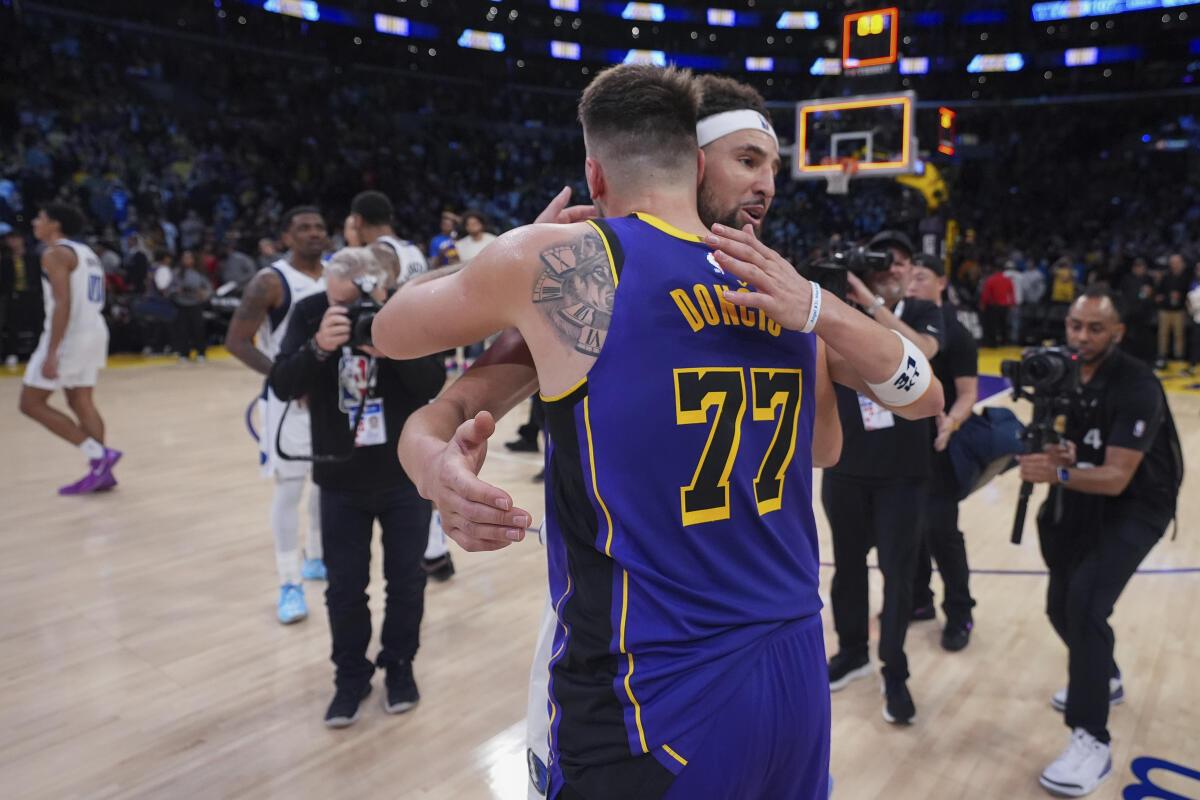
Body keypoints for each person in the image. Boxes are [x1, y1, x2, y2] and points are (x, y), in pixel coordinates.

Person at [374, 64, 941, 799]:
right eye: (747, 162)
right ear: (696, 163)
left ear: (594, 174)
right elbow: (834, 443)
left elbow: (391, 333)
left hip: (654, 685)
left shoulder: (571, 272)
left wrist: (499, 252)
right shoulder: (784, 294)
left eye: (770, 165)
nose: (764, 184)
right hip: (791, 665)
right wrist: (430, 465)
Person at [269, 247, 445, 728]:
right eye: (336, 300)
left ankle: (400, 665)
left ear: (379, 286)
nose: (347, 311)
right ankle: (350, 677)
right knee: (344, 588)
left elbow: (432, 381)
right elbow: (281, 383)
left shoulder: (405, 309)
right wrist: (318, 348)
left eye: (356, 301)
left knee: (407, 579)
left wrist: (393, 346)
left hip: (403, 474)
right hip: (339, 476)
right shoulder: (309, 313)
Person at [1018, 287, 1183, 798]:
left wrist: (1058, 475)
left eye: (1094, 328)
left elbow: (1114, 477)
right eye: (1074, 325)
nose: (1081, 336)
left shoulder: (1137, 383)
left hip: (1138, 502)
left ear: (1117, 333)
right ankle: (1104, 675)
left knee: (1086, 601)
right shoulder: (1062, 371)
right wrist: (1057, 454)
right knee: (1059, 607)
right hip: (1087, 490)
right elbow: (1078, 447)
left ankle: (1092, 739)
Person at [822, 230, 944, 725]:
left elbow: (923, 354)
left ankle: (895, 670)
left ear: (912, 269)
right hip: (847, 467)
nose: (888, 270)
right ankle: (853, 651)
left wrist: (870, 305)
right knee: (846, 569)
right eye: (879, 261)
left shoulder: (921, 314)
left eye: (897, 263)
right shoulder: (836, 310)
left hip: (902, 474)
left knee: (898, 577)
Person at [342, 190, 455, 581]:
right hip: (423, 359)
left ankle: (429, 549)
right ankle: (437, 550)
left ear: (357, 221)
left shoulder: (375, 256)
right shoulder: (414, 251)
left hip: (391, 364)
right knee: (421, 461)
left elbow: (371, 302)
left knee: (399, 469)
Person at [224, 206, 328, 624]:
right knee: (290, 489)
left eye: (320, 226)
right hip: (289, 403)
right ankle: (289, 583)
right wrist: (286, 376)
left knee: (325, 483)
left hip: (331, 401)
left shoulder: (339, 273)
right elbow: (236, 341)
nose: (314, 233)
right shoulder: (270, 281)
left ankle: (316, 557)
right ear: (286, 236)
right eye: (303, 228)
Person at [17, 203, 121, 494]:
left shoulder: (54, 254)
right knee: (80, 400)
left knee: (31, 402)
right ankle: (102, 472)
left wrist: (52, 352)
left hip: (71, 334)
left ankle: (99, 455)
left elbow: (63, 303)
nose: (35, 222)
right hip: (94, 330)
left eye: (40, 217)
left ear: (55, 224)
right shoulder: (87, 253)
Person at [907, 253, 979, 651]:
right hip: (901, 447)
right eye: (909, 277)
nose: (913, 284)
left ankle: (960, 611)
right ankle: (920, 601)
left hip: (939, 447)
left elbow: (969, 394)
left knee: (942, 534)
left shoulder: (956, 332)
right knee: (907, 530)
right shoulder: (899, 324)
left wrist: (951, 421)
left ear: (941, 282)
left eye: (921, 277)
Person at [169, 250, 212, 362]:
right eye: (185, 258)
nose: (187, 260)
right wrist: (177, 290)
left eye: (189, 258)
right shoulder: (177, 273)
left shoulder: (199, 272)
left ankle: (201, 352)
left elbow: (208, 289)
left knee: (198, 329)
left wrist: (203, 294)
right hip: (181, 304)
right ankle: (183, 353)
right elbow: (169, 289)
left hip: (195, 304)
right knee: (183, 330)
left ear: (194, 259)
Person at [1118, 258, 1157, 366]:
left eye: (1141, 267)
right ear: (1133, 268)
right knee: (1129, 339)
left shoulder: (1148, 279)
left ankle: (1144, 360)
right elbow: (1125, 296)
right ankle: (1128, 360)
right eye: (1137, 267)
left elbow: (1153, 296)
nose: (1139, 269)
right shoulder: (1127, 279)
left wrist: (1149, 295)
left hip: (1144, 315)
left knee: (1144, 339)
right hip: (1130, 314)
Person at [1155, 253, 1189, 370]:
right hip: (1165, 309)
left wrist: (1181, 296)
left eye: (1177, 262)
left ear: (1181, 263)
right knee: (1163, 334)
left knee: (1179, 335)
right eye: (1172, 262)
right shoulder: (1166, 276)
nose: (1174, 265)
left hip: (1179, 310)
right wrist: (1162, 297)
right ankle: (1162, 356)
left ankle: (1178, 357)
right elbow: (1158, 292)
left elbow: (1189, 292)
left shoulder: (1186, 276)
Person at [978, 262, 1015, 347]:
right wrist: (1011, 303)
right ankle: (1004, 341)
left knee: (992, 325)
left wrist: (983, 304)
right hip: (1005, 306)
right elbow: (1011, 293)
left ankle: (993, 343)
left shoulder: (991, 280)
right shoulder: (1008, 280)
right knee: (1004, 325)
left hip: (993, 306)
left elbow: (986, 294)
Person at [1187, 259, 1200, 377]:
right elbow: (1190, 302)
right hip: (1197, 318)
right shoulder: (1194, 284)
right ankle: (1192, 365)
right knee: (1195, 343)